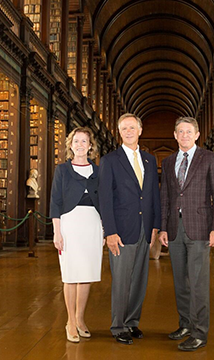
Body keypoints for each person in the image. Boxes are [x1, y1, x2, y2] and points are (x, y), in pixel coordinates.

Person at [159, 117, 214, 352]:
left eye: (189, 131)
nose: (184, 135)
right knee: (180, 282)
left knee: (198, 283)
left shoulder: (210, 158)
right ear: (175, 135)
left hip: (200, 229)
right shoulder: (167, 163)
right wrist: (164, 227)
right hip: (175, 230)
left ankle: (200, 333)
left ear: (197, 135)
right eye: (180, 132)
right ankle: (185, 324)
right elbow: (165, 196)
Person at [99, 113, 161, 345]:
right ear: (119, 131)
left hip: (145, 229)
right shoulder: (110, 160)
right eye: (124, 128)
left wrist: (155, 225)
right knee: (122, 279)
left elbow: (153, 194)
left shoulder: (149, 160)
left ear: (140, 130)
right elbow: (105, 199)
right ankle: (118, 326)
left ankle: (132, 322)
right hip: (121, 231)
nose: (128, 131)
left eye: (132, 127)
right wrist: (110, 232)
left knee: (139, 280)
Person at [50, 127, 102, 343]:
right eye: (76, 141)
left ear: (91, 146)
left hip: (93, 224)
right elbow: (55, 201)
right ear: (70, 145)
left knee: (86, 274)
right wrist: (57, 232)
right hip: (69, 224)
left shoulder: (99, 171)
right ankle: (70, 321)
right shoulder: (62, 170)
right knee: (71, 275)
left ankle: (80, 319)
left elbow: (106, 201)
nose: (80, 145)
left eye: (84, 141)